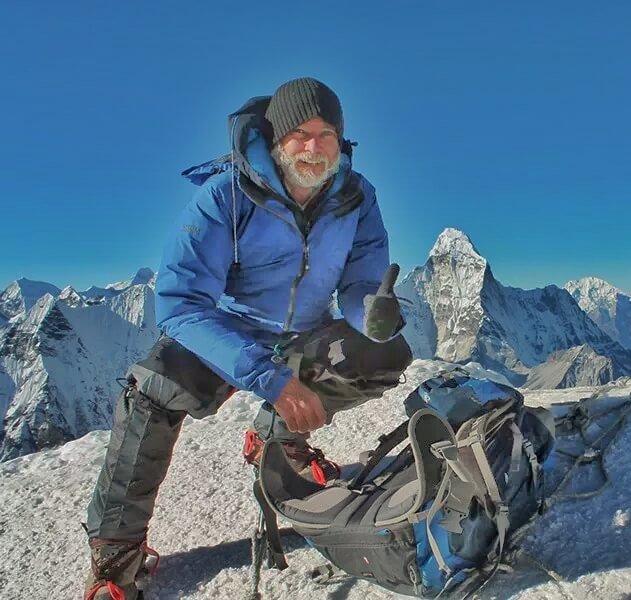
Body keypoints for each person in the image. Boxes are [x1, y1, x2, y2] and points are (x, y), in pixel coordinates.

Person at [83, 77, 413, 600]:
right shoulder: (226, 194)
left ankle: (276, 439)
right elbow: (181, 303)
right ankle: (116, 550)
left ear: (342, 139)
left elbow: (359, 284)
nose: (313, 146)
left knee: (382, 354)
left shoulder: (356, 197)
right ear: (276, 138)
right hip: (227, 330)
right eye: (300, 133)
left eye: (327, 133)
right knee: (150, 393)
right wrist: (271, 380)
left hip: (304, 331)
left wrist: (370, 312)